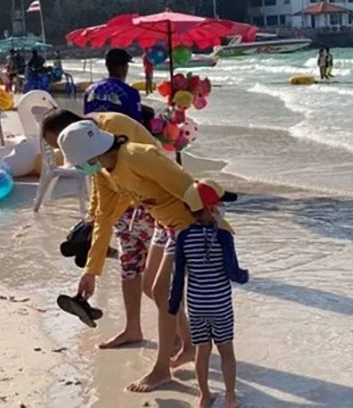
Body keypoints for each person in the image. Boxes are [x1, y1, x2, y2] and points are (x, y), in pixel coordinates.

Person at [57, 120, 232, 393]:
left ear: (91, 154)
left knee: (164, 293)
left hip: (189, 226)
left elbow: (189, 188)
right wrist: (91, 271)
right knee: (150, 287)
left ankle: (161, 370)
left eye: (79, 164)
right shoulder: (102, 172)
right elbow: (104, 217)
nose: (80, 169)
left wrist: (214, 234)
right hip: (164, 224)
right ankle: (188, 347)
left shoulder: (138, 156)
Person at [41, 110, 193, 353]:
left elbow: (129, 175)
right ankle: (134, 329)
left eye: (62, 144)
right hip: (123, 209)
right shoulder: (95, 159)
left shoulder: (113, 130)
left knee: (159, 282)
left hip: (153, 207)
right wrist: (91, 267)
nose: (64, 152)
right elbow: (102, 188)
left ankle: (179, 337)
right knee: (129, 266)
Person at [170, 180, 247, 408]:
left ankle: (204, 396)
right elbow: (232, 272)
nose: (222, 207)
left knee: (202, 351)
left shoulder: (183, 237)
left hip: (196, 305)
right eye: (220, 204)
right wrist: (245, 276)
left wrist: (173, 305)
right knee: (226, 350)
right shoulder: (224, 236)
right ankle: (230, 397)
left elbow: (178, 277)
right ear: (211, 208)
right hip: (220, 305)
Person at [84, 48, 147, 125]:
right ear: (124, 67)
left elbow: (86, 116)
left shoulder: (90, 90)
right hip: (119, 131)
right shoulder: (130, 92)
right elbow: (136, 122)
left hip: (93, 130)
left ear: (106, 65)